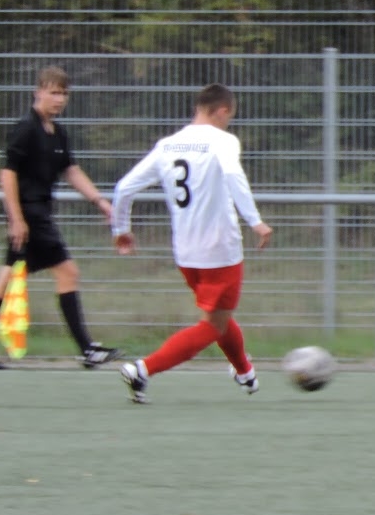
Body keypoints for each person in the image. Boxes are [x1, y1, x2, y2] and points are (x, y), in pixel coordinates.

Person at [109, 84, 272, 404]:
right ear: (223, 111)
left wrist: (121, 228)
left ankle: (245, 372)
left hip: (186, 254)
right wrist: (255, 220)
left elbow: (124, 188)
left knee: (219, 317)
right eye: (230, 116)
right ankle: (142, 369)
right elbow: (234, 175)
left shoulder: (167, 145)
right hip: (220, 251)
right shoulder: (223, 141)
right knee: (212, 325)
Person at [0, 66, 120, 370]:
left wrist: (100, 201)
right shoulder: (26, 128)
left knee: (6, 277)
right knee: (67, 272)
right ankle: (87, 350)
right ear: (38, 92)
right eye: (53, 92)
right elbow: (7, 173)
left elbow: (71, 170)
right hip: (30, 216)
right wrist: (16, 219)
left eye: (64, 93)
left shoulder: (58, 133)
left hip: (39, 213)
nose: (59, 99)